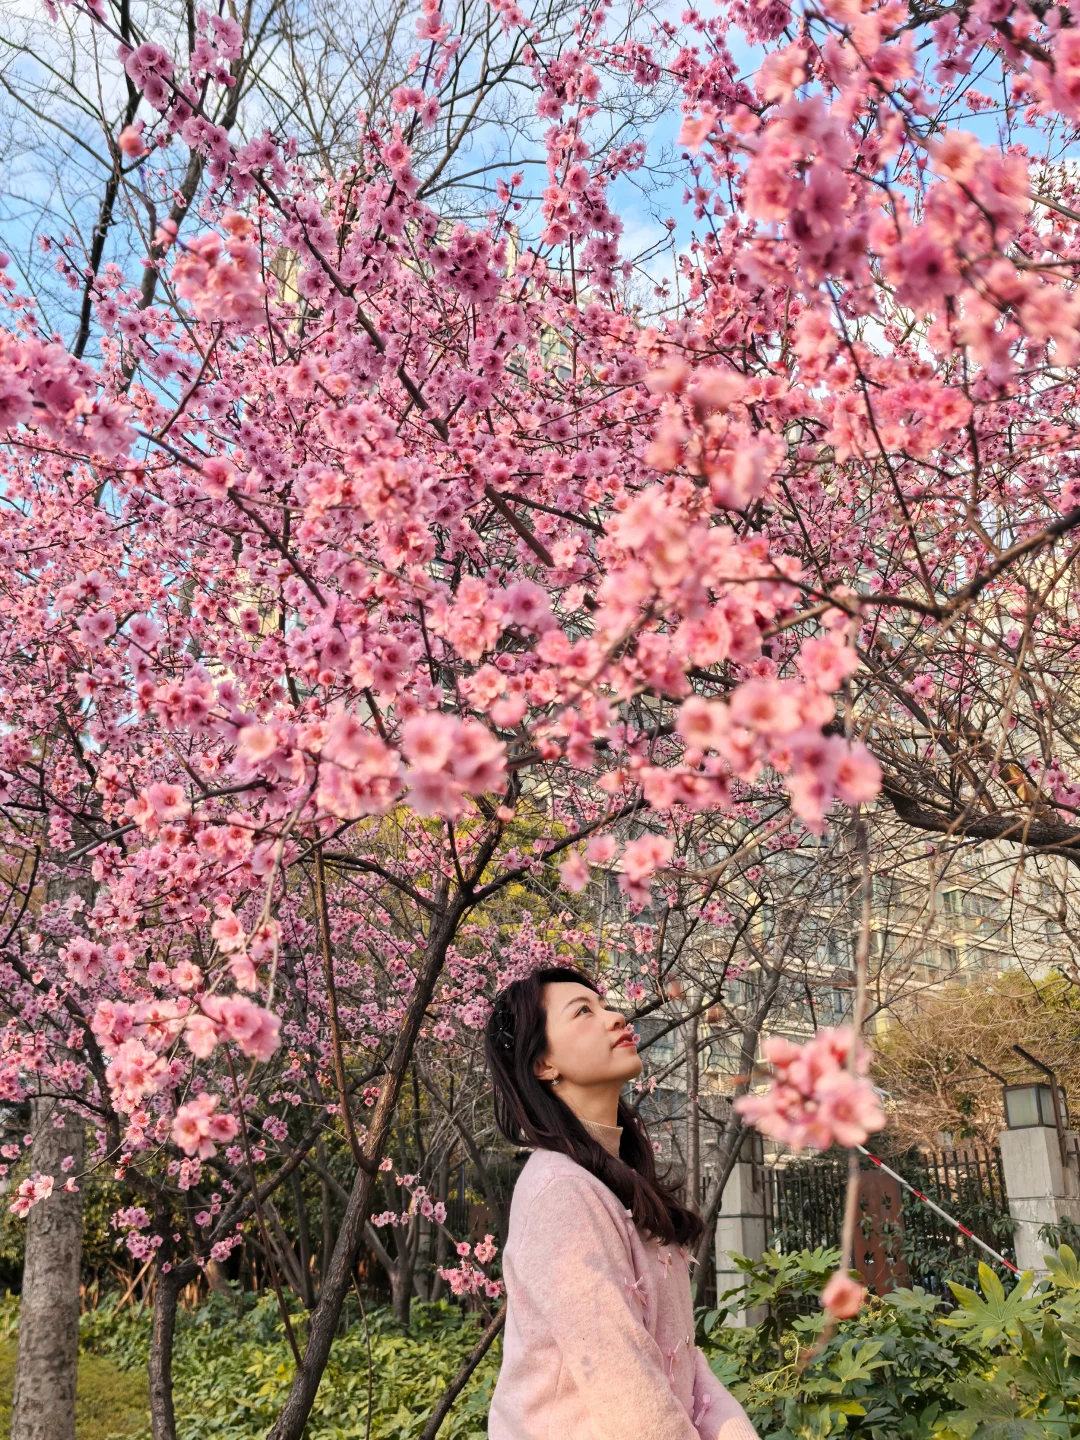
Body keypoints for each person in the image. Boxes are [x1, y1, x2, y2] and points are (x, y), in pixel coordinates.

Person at [484, 964, 758, 1440]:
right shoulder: (560, 1192)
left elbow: (681, 1359)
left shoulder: (616, 1179)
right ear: (543, 1064)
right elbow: (629, 1393)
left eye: (607, 1005)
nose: (616, 1018)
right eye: (583, 1012)